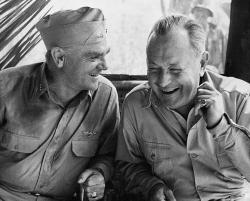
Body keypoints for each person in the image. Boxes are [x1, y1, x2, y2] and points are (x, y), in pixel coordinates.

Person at [116, 15, 250, 201]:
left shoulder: (241, 98)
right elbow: (126, 166)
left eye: (175, 70)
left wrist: (221, 127)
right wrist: (150, 186)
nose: (163, 82)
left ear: (202, 63)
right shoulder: (135, 104)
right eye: (154, 69)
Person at [0, 7, 119, 201]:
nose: (105, 65)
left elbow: (108, 155)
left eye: (105, 54)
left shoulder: (105, 96)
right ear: (59, 58)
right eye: (93, 56)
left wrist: (99, 172)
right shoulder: (6, 86)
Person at [191, 4, 227, 74]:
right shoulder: (189, 34)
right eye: (197, 16)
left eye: (203, 16)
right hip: (196, 73)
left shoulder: (218, 33)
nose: (200, 19)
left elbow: (224, 56)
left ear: (208, 16)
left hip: (215, 72)